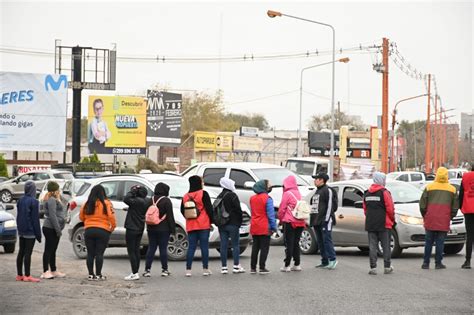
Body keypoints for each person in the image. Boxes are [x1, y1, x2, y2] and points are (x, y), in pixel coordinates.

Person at [420, 167, 458, 270]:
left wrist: (425, 215)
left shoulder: (429, 187)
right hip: (444, 219)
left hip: (430, 218)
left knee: (428, 242)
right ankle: (438, 263)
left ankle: (425, 263)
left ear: (436, 175)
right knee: (440, 242)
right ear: (447, 176)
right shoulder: (452, 189)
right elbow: (455, 207)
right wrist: (451, 216)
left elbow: (422, 205)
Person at [80, 185, 116, 280]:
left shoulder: (87, 204)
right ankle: (99, 275)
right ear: (103, 193)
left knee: (90, 253)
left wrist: (88, 222)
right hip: (103, 230)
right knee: (99, 253)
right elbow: (111, 217)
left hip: (89, 230)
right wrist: (112, 227)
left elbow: (81, 216)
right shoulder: (107, 203)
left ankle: (91, 275)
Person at [180, 175, 214, 277]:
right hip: (203, 224)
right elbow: (209, 209)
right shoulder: (203, 194)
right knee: (204, 247)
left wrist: (189, 218)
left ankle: (188, 270)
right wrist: (211, 221)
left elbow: (183, 210)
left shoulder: (186, 196)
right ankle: (205, 269)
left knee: (191, 247)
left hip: (191, 225)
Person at [363, 172, 395, 275]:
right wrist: (392, 220)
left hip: (371, 223)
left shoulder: (367, 193)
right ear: (381, 180)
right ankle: (387, 267)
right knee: (386, 246)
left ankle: (373, 268)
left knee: (372, 246)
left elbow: (365, 210)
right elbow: (390, 209)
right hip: (384, 224)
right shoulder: (384, 192)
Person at [144, 182, 176, 277]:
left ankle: (147, 270)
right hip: (164, 229)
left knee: (151, 248)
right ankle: (164, 270)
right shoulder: (166, 201)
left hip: (151, 228)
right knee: (163, 249)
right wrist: (173, 230)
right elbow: (170, 216)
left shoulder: (150, 200)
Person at [216, 177, 245, 274]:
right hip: (233, 223)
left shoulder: (220, 195)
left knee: (223, 245)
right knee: (235, 245)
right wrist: (239, 222)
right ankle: (236, 266)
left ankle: (224, 267)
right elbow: (238, 210)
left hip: (222, 224)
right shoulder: (233, 195)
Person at [309, 172, 338, 270]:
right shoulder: (317, 191)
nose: (314, 180)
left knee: (326, 240)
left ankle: (332, 259)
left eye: (316, 179)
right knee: (320, 241)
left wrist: (326, 219)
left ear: (322, 180)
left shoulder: (328, 190)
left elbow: (331, 206)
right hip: (317, 220)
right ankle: (324, 261)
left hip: (325, 220)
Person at [278, 175, 306, 272]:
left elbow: (282, 209)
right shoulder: (298, 193)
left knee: (289, 243)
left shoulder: (287, 194)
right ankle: (297, 264)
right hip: (300, 222)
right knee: (296, 243)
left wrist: (281, 220)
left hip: (290, 222)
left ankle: (287, 265)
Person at [123, 185, 150, 281]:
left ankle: (134, 273)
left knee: (131, 251)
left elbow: (126, 198)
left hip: (131, 228)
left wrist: (133, 190)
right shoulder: (147, 201)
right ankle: (136, 271)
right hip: (140, 227)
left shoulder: (136, 201)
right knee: (136, 250)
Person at [16, 180, 41, 282]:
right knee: (28, 253)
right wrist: (38, 235)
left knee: (21, 252)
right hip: (30, 231)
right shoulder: (34, 202)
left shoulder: (20, 200)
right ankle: (27, 275)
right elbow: (35, 220)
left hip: (21, 229)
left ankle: (19, 275)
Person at [249, 180, 277, 274]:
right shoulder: (267, 199)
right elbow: (271, 215)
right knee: (264, 248)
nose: (270, 186)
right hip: (265, 226)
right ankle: (262, 267)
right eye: (268, 185)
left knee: (255, 247)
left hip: (255, 225)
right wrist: (274, 227)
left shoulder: (252, 198)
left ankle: (253, 268)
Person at [41, 181, 67, 279]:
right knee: (48, 250)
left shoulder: (55, 198)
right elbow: (52, 216)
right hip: (50, 228)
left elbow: (66, 203)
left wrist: (60, 197)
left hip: (54, 228)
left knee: (53, 250)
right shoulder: (51, 200)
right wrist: (58, 230)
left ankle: (53, 270)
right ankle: (45, 271)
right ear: (54, 190)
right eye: (58, 189)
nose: (59, 190)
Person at [459, 164, 474, 269]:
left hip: (468, 210)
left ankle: (467, 261)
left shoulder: (465, 177)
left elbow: (461, 194)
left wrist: (461, 207)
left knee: (470, 236)